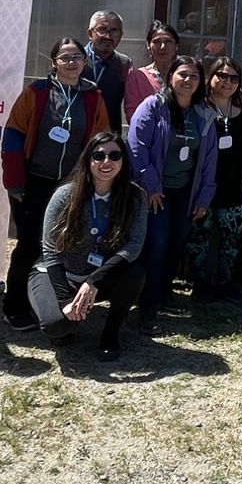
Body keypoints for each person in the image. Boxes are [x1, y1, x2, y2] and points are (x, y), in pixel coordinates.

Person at [1, 37, 110, 331]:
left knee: (59, 245)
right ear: (54, 63)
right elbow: (12, 135)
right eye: (65, 57)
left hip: (70, 187)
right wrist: (14, 182)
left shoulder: (92, 97)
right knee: (29, 243)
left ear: (84, 62)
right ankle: (14, 306)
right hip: (33, 181)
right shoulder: (36, 92)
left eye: (77, 56)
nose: (72, 62)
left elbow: (101, 140)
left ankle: (50, 303)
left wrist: (91, 181)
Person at [30, 130, 147, 363]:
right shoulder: (66, 195)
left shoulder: (136, 197)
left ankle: (111, 334)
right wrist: (65, 301)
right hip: (57, 272)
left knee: (135, 274)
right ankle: (57, 316)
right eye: (99, 155)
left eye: (115, 156)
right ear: (88, 160)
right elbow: (50, 250)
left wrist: (93, 281)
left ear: (123, 161)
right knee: (57, 326)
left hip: (96, 275)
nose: (107, 162)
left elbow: (134, 245)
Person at [128, 56, 217, 332]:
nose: (188, 80)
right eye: (182, 74)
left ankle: (164, 295)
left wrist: (204, 197)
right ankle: (147, 309)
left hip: (185, 194)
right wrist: (152, 186)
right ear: (171, 78)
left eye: (194, 76)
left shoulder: (204, 113)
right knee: (156, 247)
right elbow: (136, 147)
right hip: (157, 194)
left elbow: (210, 158)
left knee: (176, 244)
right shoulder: (152, 107)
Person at [191, 57, 242, 298]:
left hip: (233, 183)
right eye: (221, 76)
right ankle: (200, 284)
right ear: (211, 78)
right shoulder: (198, 109)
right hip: (204, 183)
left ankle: (227, 282)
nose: (227, 81)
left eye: (233, 77)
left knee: (233, 236)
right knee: (198, 237)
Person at [123, 20, 180, 126]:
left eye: (168, 41)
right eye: (157, 42)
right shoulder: (137, 77)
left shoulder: (185, 76)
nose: (162, 46)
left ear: (176, 46)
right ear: (149, 46)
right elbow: (133, 116)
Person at [84, 10, 131, 130]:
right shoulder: (75, 59)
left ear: (120, 36)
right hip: (77, 132)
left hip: (108, 136)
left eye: (114, 31)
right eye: (102, 30)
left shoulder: (125, 64)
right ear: (90, 34)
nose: (108, 36)